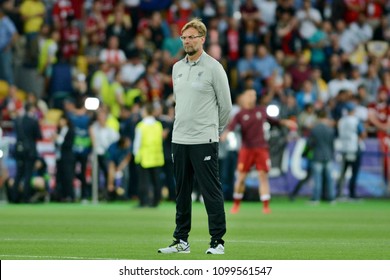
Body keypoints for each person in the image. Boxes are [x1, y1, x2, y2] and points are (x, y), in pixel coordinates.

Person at [158, 18, 232, 255]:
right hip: (179, 138)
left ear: (202, 39)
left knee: (211, 192)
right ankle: (181, 240)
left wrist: (214, 131)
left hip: (204, 140)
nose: (187, 41)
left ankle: (217, 241)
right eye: (184, 37)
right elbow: (181, 103)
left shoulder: (214, 67)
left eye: (192, 37)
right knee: (181, 192)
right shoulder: (177, 68)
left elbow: (226, 106)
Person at [223, 89, 295, 214]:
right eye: (250, 95)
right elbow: (231, 127)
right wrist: (225, 134)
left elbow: (275, 121)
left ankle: (266, 206)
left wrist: (286, 122)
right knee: (241, 178)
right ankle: (236, 205)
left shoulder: (261, 111)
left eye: (254, 95)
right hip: (246, 149)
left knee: (263, 176)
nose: (253, 97)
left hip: (261, 148)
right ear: (244, 98)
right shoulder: (240, 114)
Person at [133, 103, 164, 207]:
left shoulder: (141, 126)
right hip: (156, 157)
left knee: (143, 181)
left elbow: (137, 142)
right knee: (156, 181)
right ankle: (155, 201)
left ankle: (143, 201)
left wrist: (135, 153)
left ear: (145, 112)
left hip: (144, 157)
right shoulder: (158, 125)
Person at [12, 103, 42, 203]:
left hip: (19, 150)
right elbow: (38, 135)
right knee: (28, 174)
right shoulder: (33, 121)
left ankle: (14, 197)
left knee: (19, 174)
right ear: (32, 109)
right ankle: (26, 197)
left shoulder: (18, 120)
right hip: (30, 151)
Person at [336, 102, 366, 199]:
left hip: (344, 148)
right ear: (352, 111)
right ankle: (352, 194)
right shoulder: (355, 120)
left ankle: (339, 192)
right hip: (354, 148)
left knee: (343, 172)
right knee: (354, 172)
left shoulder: (341, 121)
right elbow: (363, 134)